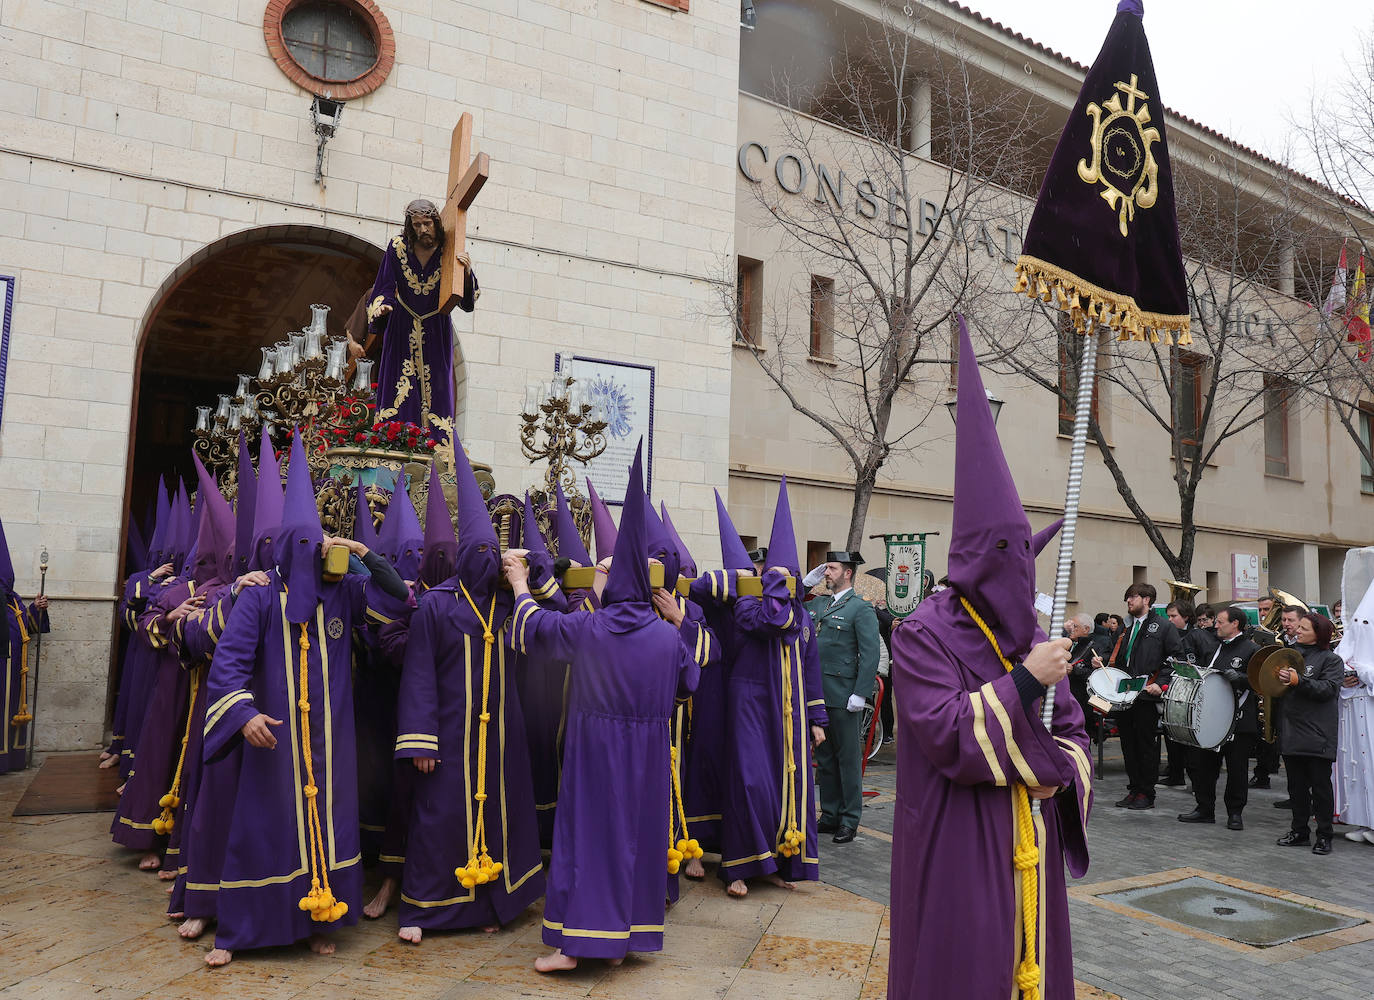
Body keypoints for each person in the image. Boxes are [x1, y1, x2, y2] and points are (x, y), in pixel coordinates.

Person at [888, 317, 1091, 999]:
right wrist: (1026, 685)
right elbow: (946, 733)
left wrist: (1058, 775)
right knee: (963, 967)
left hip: (1030, 835)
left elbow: (1076, 736)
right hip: (957, 839)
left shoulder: (1031, 635)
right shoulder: (923, 633)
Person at [198, 433, 409, 966]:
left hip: (331, 744)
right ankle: (242, 931)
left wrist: (365, 556)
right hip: (275, 739)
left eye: (316, 545)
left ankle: (323, 915)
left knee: (329, 829)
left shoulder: (342, 592)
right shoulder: (260, 596)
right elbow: (228, 666)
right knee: (266, 829)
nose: (310, 556)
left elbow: (398, 597)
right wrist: (243, 715)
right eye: (301, 546)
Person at [504, 444, 700, 972]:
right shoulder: (664, 636)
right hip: (651, 751)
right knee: (635, 837)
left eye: (604, 571)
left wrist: (522, 583)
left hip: (598, 749)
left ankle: (577, 946)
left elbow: (533, 630)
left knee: (588, 839)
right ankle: (620, 940)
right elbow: (689, 682)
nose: (596, 575)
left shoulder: (594, 626)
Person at [392, 444, 553, 944]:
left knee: (498, 819)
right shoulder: (437, 607)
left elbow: (559, 614)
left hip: (502, 737)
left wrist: (529, 574)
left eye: (494, 555)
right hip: (448, 737)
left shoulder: (508, 606)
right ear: (463, 558)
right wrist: (420, 740)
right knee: (440, 819)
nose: (489, 563)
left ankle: (490, 904)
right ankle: (426, 910)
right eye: (480, 554)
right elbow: (417, 674)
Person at [698, 483, 826, 898]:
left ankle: (777, 860)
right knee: (750, 782)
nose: (786, 583)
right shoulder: (749, 608)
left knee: (787, 786)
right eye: (779, 575)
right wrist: (763, 584)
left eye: (790, 576)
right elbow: (773, 621)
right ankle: (738, 865)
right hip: (750, 704)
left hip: (789, 712)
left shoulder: (804, 617)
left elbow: (811, 667)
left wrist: (817, 719)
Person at [360, 199, 478, 444]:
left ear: (436, 222)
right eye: (417, 225)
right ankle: (393, 439)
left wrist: (466, 273)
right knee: (398, 386)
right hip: (401, 326)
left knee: (439, 387)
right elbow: (384, 284)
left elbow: (467, 299)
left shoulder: (449, 250)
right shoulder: (397, 247)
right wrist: (382, 305)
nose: (423, 230)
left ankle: (439, 445)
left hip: (436, 326)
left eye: (427, 223)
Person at [808, 551, 880, 845]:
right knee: (824, 758)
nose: (826, 572)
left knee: (847, 759)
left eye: (832, 568)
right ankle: (830, 814)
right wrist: (805, 582)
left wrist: (860, 693)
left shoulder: (860, 609)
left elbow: (870, 653)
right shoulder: (821, 603)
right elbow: (786, 604)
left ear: (847, 573)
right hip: (818, 694)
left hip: (844, 695)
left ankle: (849, 819)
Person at [1178, 607, 1259, 829]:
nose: (1216, 625)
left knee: (1237, 769)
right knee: (1204, 766)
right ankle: (1205, 808)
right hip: (1213, 717)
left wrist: (1241, 678)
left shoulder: (1252, 649)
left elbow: (1261, 681)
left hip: (1239, 720)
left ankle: (1235, 813)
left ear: (1235, 624)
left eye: (1221, 622)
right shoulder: (1215, 647)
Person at [1274, 613, 1343, 855]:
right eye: (1298, 627)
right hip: (1293, 731)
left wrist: (1298, 681)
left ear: (1319, 633)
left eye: (1303, 628)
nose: (1297, 630)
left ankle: (1325, 835)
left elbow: (1329, 689)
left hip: (1318, 734)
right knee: (1296, 788)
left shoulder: (1331, 659)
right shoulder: (1290, 654)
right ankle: (1299, 831)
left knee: (1321, 788)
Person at [1117, 583, 1181, 809]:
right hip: (1124, 694)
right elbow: (1118, 656)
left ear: (1147, 600)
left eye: (1132, 597)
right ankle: (1134, 788)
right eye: (1127, 598)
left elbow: (1175, 658)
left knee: (1146, 745)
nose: (1128, 601)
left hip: (1146, 695)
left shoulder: (1163, 627)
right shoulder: (1126, 627)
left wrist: (1161, 684)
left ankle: (1146, 792)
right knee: (1128, 745)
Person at [0, 517, 50, 774]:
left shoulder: (13, 599)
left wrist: (35, 609)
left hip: (14, 674)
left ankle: (13, 759)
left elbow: (24, 627)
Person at [1334, 580, 1374, 845]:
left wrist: (1361, 671)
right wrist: (1345, 674)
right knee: (1356, 768)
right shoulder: (1354, 633)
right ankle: (1363, 820)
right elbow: (1339, 658)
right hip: (1351, 707)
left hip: (1370, 708)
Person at [1162, 599, 1217, 786]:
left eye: (1173, 616)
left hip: (1193, 692)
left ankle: (1196, 781)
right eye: (1167, 616)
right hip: (1174, 691)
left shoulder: (1197, 636)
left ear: (1186, 617)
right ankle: (1175, 774)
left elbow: (1206, 661)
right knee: (1172, 735)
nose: (1169, 620)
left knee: (1191, 740)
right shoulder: (1168, 634)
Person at [1066, 613, 1111, 726]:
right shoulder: (1069, 642)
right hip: (1066, 694)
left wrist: (1074, 670)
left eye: (1075, 626)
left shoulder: (1099, 645)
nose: (1071, 629)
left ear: (1086, 629)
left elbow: (1097, 675)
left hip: (1082, 699)